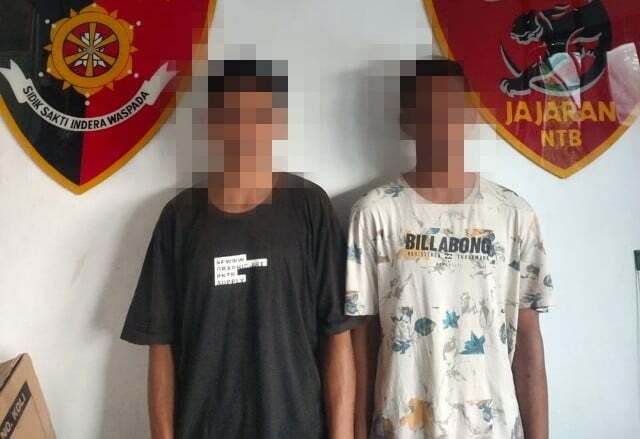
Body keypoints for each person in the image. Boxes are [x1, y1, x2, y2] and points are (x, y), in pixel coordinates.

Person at [121, 60, 360, 439]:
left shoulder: (309, 206)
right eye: (231, 115)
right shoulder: (180, 217)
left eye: (259, 115)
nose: (245, 129)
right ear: (210, 123)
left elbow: (338, 333)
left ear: (277, 124)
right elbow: (160, 344)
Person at [347, 59, 554, 439]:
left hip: (493, 427)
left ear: (472, 115)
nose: (442, 122)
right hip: (402, 427)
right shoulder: (375, 214)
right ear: (406, 121)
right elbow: (363, 338)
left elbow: (528, 341)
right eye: (428, 110)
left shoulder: (513, 215)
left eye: (453, 108)